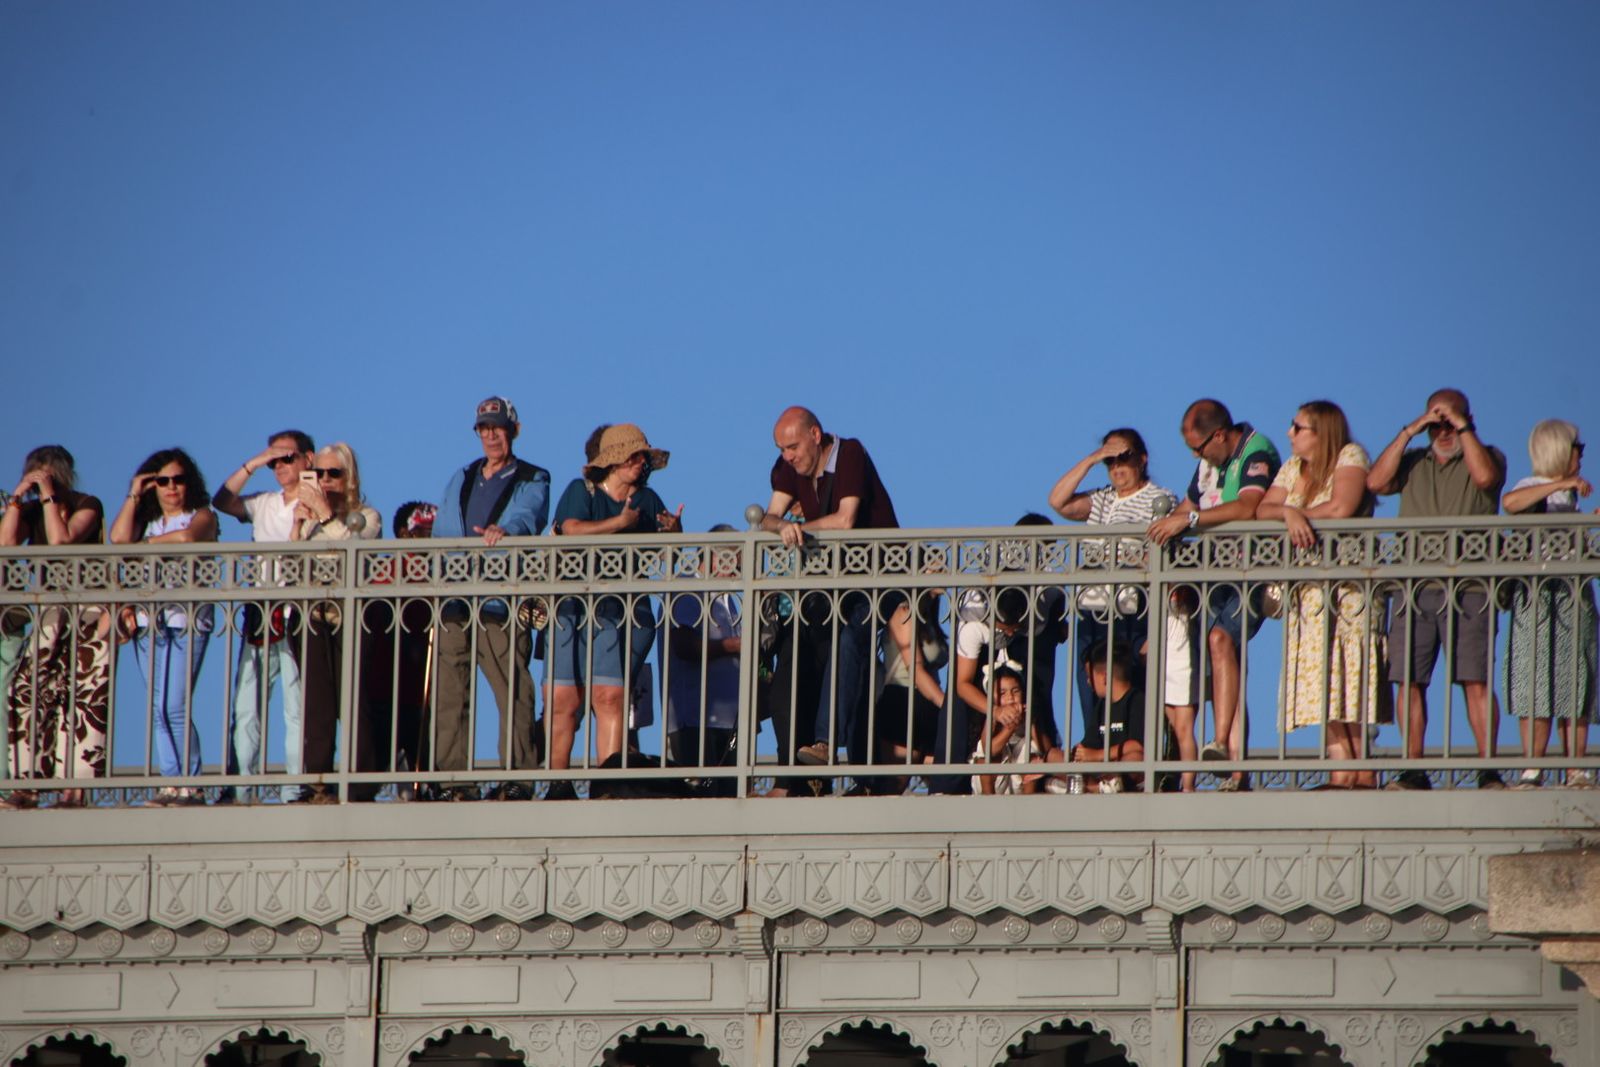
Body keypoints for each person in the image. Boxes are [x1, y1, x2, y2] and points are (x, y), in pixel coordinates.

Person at [1367, 388, 1508, 790]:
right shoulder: (1413, 460)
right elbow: (1376, 482)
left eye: (1450, 421)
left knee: (1475, 679)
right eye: (1437, 422)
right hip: (1414, 585)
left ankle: (1488, 769)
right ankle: (1413, 769)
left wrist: (1463, 428)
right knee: (1408, 679)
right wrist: (1410, 430)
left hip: (1470, 586)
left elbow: (1486, 478)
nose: (1443, 430)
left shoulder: (1488, 454)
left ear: (1468, 418)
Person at [759, 406, 898, 779]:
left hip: (880, 573)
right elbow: (766, 519)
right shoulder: (790, 466)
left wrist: (800, 530)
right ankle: (814, 772)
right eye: (781, 449)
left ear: (816, 435)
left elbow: (845, 520)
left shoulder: (849, 452)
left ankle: (825, 743)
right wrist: (782, 526)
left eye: (792, 447)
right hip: (838, 584)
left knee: (852, 637)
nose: (787, 456)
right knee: (814, 649)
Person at [1148, 400, 1280, 790]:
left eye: (1200, 447)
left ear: (1219, 434)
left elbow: (1249, 506)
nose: (1196, 455)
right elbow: (1189, 504)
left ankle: (1222, 744)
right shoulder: (1210, 462)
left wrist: (1188, 521)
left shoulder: (1256, 451)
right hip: (1214, 575)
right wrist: (1166, 526)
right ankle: (1236, 769)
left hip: (1251, 571)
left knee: (1221, 640)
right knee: (1226, 662)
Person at [1256, 402, 1386, 789]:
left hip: (1347, 589)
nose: (1289, 434)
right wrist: (1288, 515)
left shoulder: (1349, 455)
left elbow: (1342, 507)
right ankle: (1340, 768)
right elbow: (1263, 509)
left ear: (1321, 432)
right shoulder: (1293, 468)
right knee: (1322, 677)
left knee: (1351, 673)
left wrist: (1299, 514)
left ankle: (1361, 771)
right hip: (1308, 590)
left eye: (1298, 427)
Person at [1049, 429, 1188, 786]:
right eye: (1110, 462)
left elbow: (1164, 560)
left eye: (1123, 458)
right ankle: (1099, 772)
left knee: (1134, 697)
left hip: (1131, 611)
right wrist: (1093, 458)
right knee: (1091, 694)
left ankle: (1137, 772)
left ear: (1142, 459)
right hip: (1090, 611)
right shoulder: (1101, 499)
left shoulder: (1161, 498)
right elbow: (1058, 502)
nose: (1116, 468)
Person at [549, 423, 682, 789]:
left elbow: (667, 553)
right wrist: (619, 524)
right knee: (564, 700)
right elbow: (571, 529)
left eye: (643, 457)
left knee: (609, 696)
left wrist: (675, 532)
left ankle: (605, 785)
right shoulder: (583, 491)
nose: (641, 463)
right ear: (614, 460)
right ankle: (557, 788)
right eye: (634, 456)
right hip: (572, 607)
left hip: (620, 610)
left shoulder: (648, 499)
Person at [432, 397, 550, 801]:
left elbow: (527, 517)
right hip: (457, 599)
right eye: (484, 428)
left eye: (497, 427)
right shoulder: (462, 477)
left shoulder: (532, 476)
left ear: (513, 430)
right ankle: (452, 781)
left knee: (511, 686)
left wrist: (505, 532)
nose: (491, 435)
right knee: (450, 691)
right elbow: (444, 532)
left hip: (500, 599)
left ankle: (516, 778)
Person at [108, 448, 219, 806]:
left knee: (174, 705)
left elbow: (189, 539)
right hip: (148, 623)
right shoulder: (148, 521)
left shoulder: (202, 515)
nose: (172, 487)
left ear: (190, 482)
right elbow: (118, 541)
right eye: (163, 481)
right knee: (158, 708)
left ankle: (191, 783)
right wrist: (134, 492)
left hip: (186, 622)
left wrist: (146, 546)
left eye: (178, 479)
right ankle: (172, 783)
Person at [212, 429, 317, 802]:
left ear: (308, 458)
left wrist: (312, 498)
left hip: (298, 612)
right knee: (246, 706)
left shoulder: (319, 500)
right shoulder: (265, 502)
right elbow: (222, 500)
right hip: (261, 613)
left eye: (286, 458)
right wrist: (255, 461)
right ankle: (240, 789)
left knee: (295, 707)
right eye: (274, 460)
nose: (279, 466)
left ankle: (294, 789)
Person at [0, 446, 107, 809]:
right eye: (36, 473)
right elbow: (7, 542)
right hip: (50, 610)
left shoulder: (87, 503)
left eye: (48, 473)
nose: (42, 479)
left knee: (83, 697)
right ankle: (27, 784)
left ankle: (74, 790)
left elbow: (62, 541)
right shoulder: (29, 508)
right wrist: (16, 498)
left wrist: (48, 497)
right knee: (27, 689)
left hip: (88, 611)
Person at [1501, 419, 1594, 788]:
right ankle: (1533, 767)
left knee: (1577, 679)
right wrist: (1561, 483)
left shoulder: (1571, 498)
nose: (1581, 457)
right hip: (1537, 600)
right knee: (1535, 679)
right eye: (1578, 448)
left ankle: (1576, 768)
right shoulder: (1534, 487)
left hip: (1574, 599)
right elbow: (1511, 503)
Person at [290, 443, 382, 802]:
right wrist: (298, 524)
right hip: (313, 618)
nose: (326, 481)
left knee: (354, 702)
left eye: (334, 474)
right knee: (317, 707)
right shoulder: (310, 523)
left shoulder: (367, 516)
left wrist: (327, 515)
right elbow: (290, 569)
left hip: (352, 620)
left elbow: (355, 550)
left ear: (349, 478)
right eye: (320, 474)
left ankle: (359, 787)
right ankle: (316, 785)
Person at [359, 501, 437, 801]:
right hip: (386, 684)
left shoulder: (438, 572)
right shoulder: (386, 573)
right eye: (422, 533)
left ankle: (419, 792)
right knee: (379, 754)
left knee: (420, 754)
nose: (429, 540)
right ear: (404, 534)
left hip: (421, 689)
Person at [662, 524, 741, 796]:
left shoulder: (730, 600)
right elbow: (683, 646)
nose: (737, 572)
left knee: (732, 803)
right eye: (733, 562)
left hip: (730, 723)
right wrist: (734, 646)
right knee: (701, 802)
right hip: (695, 719)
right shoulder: (688, 589)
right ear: (713, 557)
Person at [874, 587, 949, 793]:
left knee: (941, 786)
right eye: (933, 566)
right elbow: (916, 671)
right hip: (903, 702)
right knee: (895, 785)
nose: (941, 570)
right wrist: (950, 707)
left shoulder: (928, 618)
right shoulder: (903, 613)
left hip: (929, 705)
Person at [970, 665, 1066, 795]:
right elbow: (989, 750)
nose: (1010, 697)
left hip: (1017, 782)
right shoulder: (992, 717)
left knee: (1030, 750)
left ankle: (1027, 799)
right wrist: (1011, 727)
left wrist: (1030, 722)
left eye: (1015, 691)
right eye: (1002, 693)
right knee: (983, 759)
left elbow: (1046, 749)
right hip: (995, 783)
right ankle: (988, 803)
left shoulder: (1028, 714)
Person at [1069, 641, 1146, 794]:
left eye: (1089, 675)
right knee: (1054, 756)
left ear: (1104, 676)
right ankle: (1097, 786)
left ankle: (1093, 787)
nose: (1088, 681)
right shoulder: (1101, 706)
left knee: (1135, 758)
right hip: (1101, 770)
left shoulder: (1137, 700)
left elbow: (1136, 746)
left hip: (1125, 770)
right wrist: (1079, 751)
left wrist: (1096, 755)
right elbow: (1089, 744)